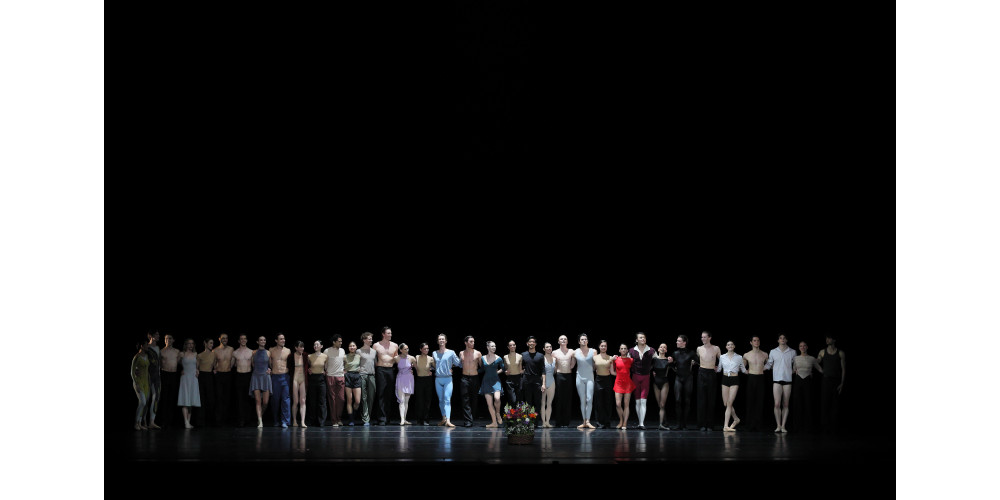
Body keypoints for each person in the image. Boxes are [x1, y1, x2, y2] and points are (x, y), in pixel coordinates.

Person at [764, 334, 796, 433]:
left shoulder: (792, 351)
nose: (782, 339)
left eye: (784, 338)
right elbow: (769, 364)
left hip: (787, 380)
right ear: (778, 340)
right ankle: (778, 425)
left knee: (786, 404)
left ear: (786, 340)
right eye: (780, 338)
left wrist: (794, 371)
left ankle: (783, 426)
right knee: (777, 404)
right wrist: (758, 369)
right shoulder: (773, 351)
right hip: (777, 380)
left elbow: (795, 365)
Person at [667, 335, 698, 430]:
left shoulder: (691, 353)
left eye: (679, 341)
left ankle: (684, 424)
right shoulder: (675, 353)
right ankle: (678, 424)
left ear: (684, 342)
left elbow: (699, 362)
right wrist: (671, 363)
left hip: (688, 378)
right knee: (677, 400)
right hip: (678, 378)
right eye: (677, 340)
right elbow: (671, 365)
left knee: (687, 401)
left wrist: (694, 363)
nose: (676, 342)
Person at [716, 340, 748, 432]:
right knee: (726, 403)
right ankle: (736, 419)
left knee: (730, 403)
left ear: (734, 346)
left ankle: (725, 426)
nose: (730, 346)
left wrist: (751, 371)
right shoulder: (722, 357)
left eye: (732, 344)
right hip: (725, 379)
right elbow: (719, 368)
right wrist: (711, 368)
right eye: (728, 345)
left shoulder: (739, 357)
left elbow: (743, 369)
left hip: (734, 379)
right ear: (726, 347)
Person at [817, 334, 845, 434]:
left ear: (834, 340)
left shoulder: (840, 352)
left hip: (836, 381)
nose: (827, 340)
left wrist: (842, 383)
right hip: (826, 380)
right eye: (826, 338)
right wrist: (820, 369)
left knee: (835, 404)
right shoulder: (822, 351)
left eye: (829, 338)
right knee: (825, 403)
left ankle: (834, 427)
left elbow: (844, 369)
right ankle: (824, 426)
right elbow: (816, 362)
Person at [792, 341, 822, 433]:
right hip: (798, 381)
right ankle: (797, 426)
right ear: (799, 348)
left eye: (804, 346)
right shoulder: (795, 358)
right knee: (798, 403)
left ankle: (808, 426)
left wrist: (830, 374)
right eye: (801, 346)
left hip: (808, 381)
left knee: (808, 402)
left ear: (807, 347)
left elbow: (819, 368)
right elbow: (793, 370)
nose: (803, 347)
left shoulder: (812, 358)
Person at [432, 333, 461, 427]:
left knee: (447, 399)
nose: (441, 340)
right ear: (437, 341)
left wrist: (451, 366)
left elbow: (458, 363)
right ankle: (443, 418)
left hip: (448, 379)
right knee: (441, 400)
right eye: (439, 339)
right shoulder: (434, 353)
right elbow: (433, 365)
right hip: (438, 379)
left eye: (443, 339)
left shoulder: (451, 352)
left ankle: (448, 420)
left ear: (446, 341)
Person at [373, 326, 399, 426]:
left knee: (389, 394)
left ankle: (387, 417)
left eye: (391, 333)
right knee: (381, 394)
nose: (390, 335)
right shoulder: (376, 345)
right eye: (388, 333)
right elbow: (373, 359)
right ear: (383, 334)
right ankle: (381, 418)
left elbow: (397, 358)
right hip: (380, 369)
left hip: (390, 370)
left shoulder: (395, 345)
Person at [742, 336, 769, 432]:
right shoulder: (746, 354)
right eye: (754, 340)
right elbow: (742, 367)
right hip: (751, 378)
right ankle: (749, 424)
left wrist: (765, 368)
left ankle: (758, 424)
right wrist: (745, 371)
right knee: (750, 401)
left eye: (758, 340)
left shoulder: (765, 354)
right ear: (751, 342)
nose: (756, 342)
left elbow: (770, 364)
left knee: (759, 401)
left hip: (761, 377)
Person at [696, 331, 721, 431]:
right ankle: (701, 424)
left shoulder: (716, 348)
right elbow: (696, 360)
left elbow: (722, 360)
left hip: (711, 373)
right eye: (702, 337)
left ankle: (710, 424)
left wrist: (718, 368)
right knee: (701, 399)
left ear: (710, 338)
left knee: (711, 399)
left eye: (705, 337)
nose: (703, 339)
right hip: (702, 373)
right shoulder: (699, 348)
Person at [628, 332, 654, 430]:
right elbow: (625, 362)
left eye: (644, 337)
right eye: (641, 337)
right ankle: (640, 422)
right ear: (636, 340)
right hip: (635, 376)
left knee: (643, 401)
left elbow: (658, 361)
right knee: (638, 401)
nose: (643, 339)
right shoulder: (631, 351)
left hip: (646, 377)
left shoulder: (651, 350)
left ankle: (642, 423)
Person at [268, 333, 292, 428]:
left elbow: (291, 363)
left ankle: (285, 421)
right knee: (275, 400)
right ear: (276, 340)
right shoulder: (271, 350)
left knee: (286, 399)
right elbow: (269, 363)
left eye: (284, 338)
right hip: (275, 377)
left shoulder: (288, 350)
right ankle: (275, 420)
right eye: (281, 339)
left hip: (285, 376)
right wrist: (269, 370)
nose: (283, 340)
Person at [479, 341, 505, 428]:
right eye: (492, 346)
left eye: (495, 346)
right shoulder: (483, 358)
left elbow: (503, 368)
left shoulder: (499, 358)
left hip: (496, 381)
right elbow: (482, 369)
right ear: (488, 347)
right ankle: (494, 422)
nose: (494, 348)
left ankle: (498, 413)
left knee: (497, 398)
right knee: (489, 403)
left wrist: (497, 373)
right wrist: (473, 371)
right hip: (486, 381)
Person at [177, 338, 202, 429]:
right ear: (186, 344)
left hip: (193, 378)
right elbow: (177, 364)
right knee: (185, 400)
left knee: (191, 400)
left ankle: (188, 422)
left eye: (192, 343)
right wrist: (181, 370)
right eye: (189, 343)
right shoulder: (182, 354)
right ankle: (186, 422)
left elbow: (197, 366)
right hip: (185, 378)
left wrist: (197, 370)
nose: (191, 345)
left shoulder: (196, 354)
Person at [552, 335, 576, 428]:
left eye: (565, 339)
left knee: (568, 399)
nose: (563, 340)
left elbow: (572, 365)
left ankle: (566, 422)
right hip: (559, 376)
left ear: (567, 341)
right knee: (559, 399)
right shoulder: (554, 352)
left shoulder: (571, 351)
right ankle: (558, 421)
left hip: (568, 376)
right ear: (558, 341)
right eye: (561, 339)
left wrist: (572, 363)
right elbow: (554, 366)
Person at [249, 335, 272, 428]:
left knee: (265, 402)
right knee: (258, 401)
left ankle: (259, 416)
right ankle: (260, 421)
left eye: (264, 340)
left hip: (265, 377)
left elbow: (270, 365)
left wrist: (270, 370)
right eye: (261, 340)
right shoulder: (253, 352)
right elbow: (252, 364)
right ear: (257, 342)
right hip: (256, 377)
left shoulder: (268, 352)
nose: (263, 341)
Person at [521, 336, 544, 426]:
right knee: (528, 402)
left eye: (533, 342)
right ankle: (528, 421)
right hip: (526, 381)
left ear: (535, 344)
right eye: (530, 342)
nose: (531, 343)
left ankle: (536, 422)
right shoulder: (523, 355)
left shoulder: (540, 355)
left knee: (537, 402)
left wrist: (543, 384)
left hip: (537, 381)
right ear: (527, 343)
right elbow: (520, 367)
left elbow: (543, 370)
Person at [459, 335, 482, 427]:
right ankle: (468, 420)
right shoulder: (461, 353)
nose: (473, 343)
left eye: (473, 341)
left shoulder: (478, 353)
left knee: (474, 399)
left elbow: (482, 366)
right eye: (471, 341)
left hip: (474, 378)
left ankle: (472, 417)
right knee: (465, 399)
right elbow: (458, 364)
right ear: (466, 343)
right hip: (464, 378)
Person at [323, 335, 346, 426]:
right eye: (339, 341)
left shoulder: (342, 350)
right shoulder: (327, 351)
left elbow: (344, 361)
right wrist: (325, 370)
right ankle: (334, 420)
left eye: (341, 341)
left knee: (341, 399)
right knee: (332, 399)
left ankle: (339, 418)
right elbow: (324, 362)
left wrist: (344, 370)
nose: (341, 343)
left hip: (340, 376)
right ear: (334, 342)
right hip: (331, 376)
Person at [159, 334, 181, 429]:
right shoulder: (161, 351)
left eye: (170, 338)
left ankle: (171, 421)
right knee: (164, 398)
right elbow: (159, 365)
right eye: (166, 338)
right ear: (164, 340)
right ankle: (163, 421)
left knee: (172, 398)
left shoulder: (177, 351)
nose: (168, 340)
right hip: (164, 374)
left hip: (174, 375)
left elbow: (180, 363)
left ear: (173, 340)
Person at [612, 344, 636, 430]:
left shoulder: (631, 360)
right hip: (618, 383)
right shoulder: (616, 359)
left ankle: (625, 422)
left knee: (626, 405)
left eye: (625, 348)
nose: (623, 350)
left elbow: (635, 369)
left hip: (627, 384)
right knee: (618, 404)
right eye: (621, 348)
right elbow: (613, 371)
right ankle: (621, 420)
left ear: (627, 350)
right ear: (619, 350)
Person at [574, 334, 596, 429]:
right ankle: (584, 421)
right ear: (579, 341)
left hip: (590, 377)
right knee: (582, 400)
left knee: (589, 399)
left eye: (585, 339)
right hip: (579, 377)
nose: (584, 341)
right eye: (582, 339)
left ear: (587, 341)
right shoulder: (575, 352)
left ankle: (588, 421)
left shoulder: (593, 351)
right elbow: (572, 365)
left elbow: (595, 365)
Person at [213, 333, 235, 426]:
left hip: (228, 374)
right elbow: (214, 363)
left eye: (226, 338)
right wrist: (215, 370)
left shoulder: (231, 349)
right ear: (219, 339)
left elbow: (232, 361)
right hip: (219, 375)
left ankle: (226, 419)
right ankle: (218, 419)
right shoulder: (215, 350)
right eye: (223, 338)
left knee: (227, 397)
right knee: (219, 397)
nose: (225, 340)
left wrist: (229, 369)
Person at [233, 334, 254, 427]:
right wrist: (216, 368)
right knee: (240, 399)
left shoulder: (251, 352)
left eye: (245, 339)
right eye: (241, 339)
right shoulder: (235, 352)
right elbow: (231, 365)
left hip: (248, 375)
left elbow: (254, 365)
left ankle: (248, 419)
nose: (243, 340)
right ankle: (241, 419)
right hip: (239, 376)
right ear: (239, 341)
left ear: (247, 340)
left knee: (248, 398)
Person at [357, 332, 377, 427]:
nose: (371, 340)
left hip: (372, 375)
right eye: (369, 339)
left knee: (371, 397)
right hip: (362, 375)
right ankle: (366, 418)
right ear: (364, 340)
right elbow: (356, 364)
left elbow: (375, 363)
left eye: (371, 339)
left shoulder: (374, 351)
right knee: (363, 397)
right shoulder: (359, 351)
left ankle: (368, 415)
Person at [593, 340, 614, 429]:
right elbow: (593, 369)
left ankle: (607, 422)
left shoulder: (611, 358)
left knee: (607, 401)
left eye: (605, 346)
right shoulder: (595, 357)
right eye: (602, 346)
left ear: (607, 347)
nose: (603, 347)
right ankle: (599, 422)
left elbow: (612, 372)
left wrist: (623, 374)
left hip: (607, 380)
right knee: (599, 402)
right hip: (598, 380)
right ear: (599, 347)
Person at [414, 342, 435, 426]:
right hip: (419, 380)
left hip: (428, 380)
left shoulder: (430, 358)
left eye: (427, 348)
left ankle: (426, 419)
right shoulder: (417, 357)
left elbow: (436, 367)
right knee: (419, 400)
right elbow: (411, 364)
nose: (426, 350)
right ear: (421, 349)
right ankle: (419, 419)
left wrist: (432, 370)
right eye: (425, 349)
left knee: (427, 401)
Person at [394, 343, 416, 425]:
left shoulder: (412, 358)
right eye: (405, 349)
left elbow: (418, 368)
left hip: (409, 379)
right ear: (401, 350)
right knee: (401, 400)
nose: (407, 350)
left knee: (406, 401)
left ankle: (405, 418)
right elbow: (389, 365)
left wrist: (429, 371)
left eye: (407, 348)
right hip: (400, 379)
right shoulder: (396, 358)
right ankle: (402, 419)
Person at [196, 338, 216, 427]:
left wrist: (215, 370)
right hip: (201, 377)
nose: (212, 345)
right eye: (210, 343)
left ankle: (210, 420)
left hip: (210, 376)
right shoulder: (199, 355)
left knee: (210, 399)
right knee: (201, 399)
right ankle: (201, 421)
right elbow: (196, 368)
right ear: (205, 343)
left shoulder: (214, 354)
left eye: (212, 343)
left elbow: (215, 366)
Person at [651, 343, 671, 430]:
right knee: (660, 405)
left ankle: (661, 424)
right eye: (661, 347)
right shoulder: (654, 359)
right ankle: (665, 421)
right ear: (658, 349)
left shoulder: (668, 360)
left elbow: (677, 368)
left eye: (664, 347)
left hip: (664, 382)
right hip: (656, 383)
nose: (662, 348)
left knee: (662, 404)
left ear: (666, 350)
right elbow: (648, 367)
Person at [308, 340, 328, 427]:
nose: (315, 346)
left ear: (321, 346)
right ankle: (312, 420)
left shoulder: (325, 356)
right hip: (312, 378)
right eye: (314, 344)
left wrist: (325, 371)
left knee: (322, 401)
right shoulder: (309, 356)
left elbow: (326, 367)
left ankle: (321, 421)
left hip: (321, 379)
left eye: (317, 344)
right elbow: (308, 367)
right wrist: (308, 370)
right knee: (312, 401)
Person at [132, 342, 151, 430]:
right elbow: (132, 372)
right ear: (141, 346)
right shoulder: (137, 357)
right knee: (142, 402)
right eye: (146, 345)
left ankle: (140, 423)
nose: (148, 346)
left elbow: (147, 369)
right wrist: (136, 383)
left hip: (146, 382)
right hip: (139, 382)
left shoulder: (146, 356)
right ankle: (136, 423)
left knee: (144, 403)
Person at [290, 340, 309, 427]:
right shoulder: (291, 356)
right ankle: (294, 420)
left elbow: (310, 364)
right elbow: (288, 367)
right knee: (296, 401)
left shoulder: (305, 355)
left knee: (303, 400)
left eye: (303, 347)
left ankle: (302, 421)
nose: (302, 348)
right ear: (296, 348)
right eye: (300, 347)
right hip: (295, 379)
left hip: (303, 379)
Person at [145, 332, 161, 429]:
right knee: (146, 399)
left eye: (158, 335)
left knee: (156, 398)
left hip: (157, 376)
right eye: (156, 334)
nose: (158, 336)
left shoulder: (158, 348)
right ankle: (143, 421)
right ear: (150, 336)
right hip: (148, 376)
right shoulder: (146, 347)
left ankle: (152, 421)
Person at [343, 341, 362, 426]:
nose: (352, 347)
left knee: (357, 401)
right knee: (349, 400)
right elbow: (340, 366)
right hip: (348, 376)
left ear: (356, 347)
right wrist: (343, 371)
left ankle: (353, 416)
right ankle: (351, 420)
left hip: (356, 376)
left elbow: (362, 365)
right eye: (350, 346)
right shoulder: (345, 356)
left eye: (353, 346)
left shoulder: (359, 356)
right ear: (348, 348)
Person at [540, 342, 557, 428]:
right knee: (543, 403)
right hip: (543, 382)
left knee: (549, 403)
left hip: (552, 381)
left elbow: (555, 371)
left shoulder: (554, 359)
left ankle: (547, 422)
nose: (549, 348)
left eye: (550, 346)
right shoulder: (541, 359)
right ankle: (543, 422)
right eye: (547, 347)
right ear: (544, 349)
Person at [502, 340, 523, 407]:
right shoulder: (505, 357)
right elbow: (505, 368)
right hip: (510, 379)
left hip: (518, 378)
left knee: (519, 398)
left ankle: (519, 413)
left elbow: (520, 368)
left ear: (515, 346)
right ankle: (512, 412)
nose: (512, 346)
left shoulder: (520, 356)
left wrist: (524, 371)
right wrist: (505, 372)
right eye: (510, 345)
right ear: (508, 347)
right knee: (513, 399)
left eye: (514, 345)